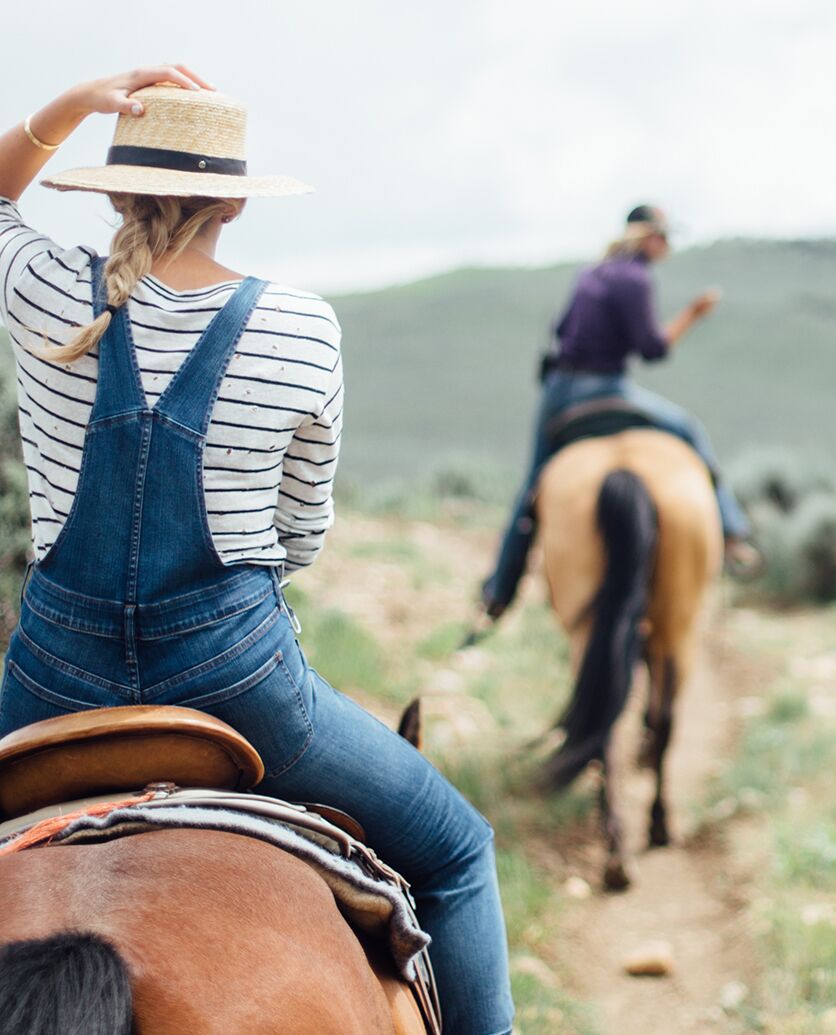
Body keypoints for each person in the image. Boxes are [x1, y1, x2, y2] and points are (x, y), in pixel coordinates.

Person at [0, 69, 513, 1034]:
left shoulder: (39, 289)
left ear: (110, 189)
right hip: (239, 684)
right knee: (455, 851)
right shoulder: (300, 327)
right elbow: (303, 534)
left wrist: (68, 105)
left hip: (49, 682)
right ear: (234, 201)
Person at [482, 204, 757, 617]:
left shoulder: (591, 271)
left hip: (559, 390)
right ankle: (733, 532)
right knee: (689, 429)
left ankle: (499, 591)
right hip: (607, 388)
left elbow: (561, 330)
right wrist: (694, 314)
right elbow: (653, 349)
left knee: (531, 487)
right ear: (649, 237)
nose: (668, 246)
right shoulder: (637, 278)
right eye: (665, 237)